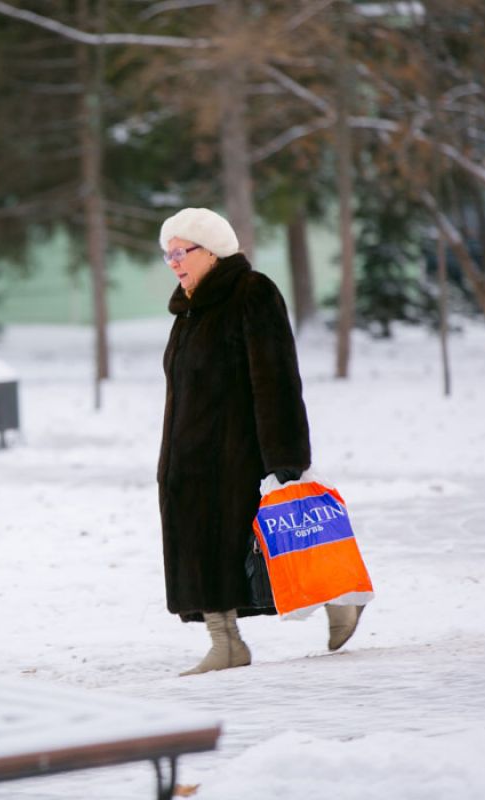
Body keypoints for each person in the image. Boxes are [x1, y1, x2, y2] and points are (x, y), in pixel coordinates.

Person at [155, 207, 362, 676]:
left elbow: (277, 379)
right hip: (189, 461)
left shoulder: (252, 293)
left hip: (240, 454)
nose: (173, 262)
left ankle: (338, 599)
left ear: (211, 251)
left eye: (180, 252)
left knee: (276, 539)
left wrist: (285, 457)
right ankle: (225, 642)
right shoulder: (188, 310)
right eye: (166, 254)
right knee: (199, 546)